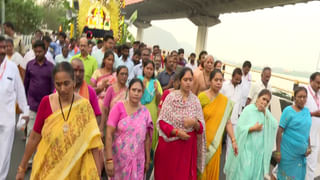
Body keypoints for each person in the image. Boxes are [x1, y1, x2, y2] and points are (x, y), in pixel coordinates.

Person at [16, 62, 103, 180]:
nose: (62, 89)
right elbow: (34, 137)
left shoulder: (84, 107)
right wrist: (22, 167)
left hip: (75, 171)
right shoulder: (46, 103)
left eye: (66, 83)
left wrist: (97, 173)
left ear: (73, 81)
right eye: (58, 84)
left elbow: (93, 143)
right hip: (48, 169)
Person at [154, 67, 206, 180]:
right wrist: (177, 132)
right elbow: (162, 122)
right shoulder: (170, 98)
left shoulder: (195, 101)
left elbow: (201, 128)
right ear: (179, 81)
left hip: (187, 149)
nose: (188, 82)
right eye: (185, 79)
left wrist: (194, 122)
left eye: (190, 80)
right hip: (170, 147)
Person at [105, 78, 153, 180]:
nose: (136, 93)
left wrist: (147, 160)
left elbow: (147, 138)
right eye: (133, 90)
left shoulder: (145, 112)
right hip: (119, 160)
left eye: (139, 91)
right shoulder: (118, 107)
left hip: (138, 161)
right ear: (128, 91)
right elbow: (109, 134)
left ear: (142, 93)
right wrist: (109, 160)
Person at [224, 89, 278, 180]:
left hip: (258, 154)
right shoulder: (248, 110)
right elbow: (239, 129)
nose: (264, 102)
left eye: (267, 101)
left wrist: (265, 113)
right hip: (246, 151)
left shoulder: (266, 113)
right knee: (244, 175)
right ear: (257, 98)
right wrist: (252, 128)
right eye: (263, 99)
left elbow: (274, 125)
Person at [198, 69, 237, 180]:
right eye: (216, 80)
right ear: (210, 81)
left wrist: (233, 140)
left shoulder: (225, 101)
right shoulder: (202, 97)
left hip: (214, 147)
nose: (219, 82)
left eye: (221, 80)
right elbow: (195, 119)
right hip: (201, 144)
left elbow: (228, 122)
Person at [0, 36, 29, 180]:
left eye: (3, 47)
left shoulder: (11, 67)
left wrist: (25, 111)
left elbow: (20, 91)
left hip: (7, 119)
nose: (1, 50)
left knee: (4, 155)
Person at [24, 40, 54, 158]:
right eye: (35, 51)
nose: (37, 54)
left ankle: (41, 159)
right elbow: (26, 83)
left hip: (46, 106)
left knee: (45, 134)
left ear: (45, 51)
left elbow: (53, 86)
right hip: (32, 104)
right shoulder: (30, 65)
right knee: (31, 133)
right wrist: (25, 102)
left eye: (40, 51)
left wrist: (52, 103)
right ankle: (29, 159)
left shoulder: (51, 67)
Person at [275, 86, 311, 179]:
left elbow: (306, 131)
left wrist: (309, 146)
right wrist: (278, 152)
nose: (302, 99)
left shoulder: (307, 112)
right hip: (287, 154)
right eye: (300, 97)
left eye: (304, 97)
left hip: (301, 156)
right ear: (294, 98)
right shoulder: (288, 111)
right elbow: (279, 131)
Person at [138, 60, 163, 151]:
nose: (149, 71)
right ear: (143, 69)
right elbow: (136, 98)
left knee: (151, 138)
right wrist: (143, 87)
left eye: (151, 69)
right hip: (140, 112)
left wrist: (156, 91)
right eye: (147, 68)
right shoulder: (139, 80)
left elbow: (160, 101)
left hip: (153, 113)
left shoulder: (156, 82)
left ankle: (149, 161)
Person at [220, 68, 243, 155]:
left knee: (231, 143)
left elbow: (239, 104)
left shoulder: (240, 89)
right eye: (236, 79)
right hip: (222, 117)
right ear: (232, 76)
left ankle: (227, 167)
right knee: (218, 141)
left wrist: (239, 116)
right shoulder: (224, 85)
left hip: (233, 119)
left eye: (239, 80)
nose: (237, 81)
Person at [100, 65, 128, 133]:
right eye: (122, 74)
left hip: (123, 127)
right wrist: (101, 128)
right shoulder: (111, 89)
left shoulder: (128, 91)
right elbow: (105, 109)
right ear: (117, 75)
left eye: (126, 74)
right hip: (111, 124)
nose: (124, 76)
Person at [306, 72, 320, 180]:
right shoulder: (304, 93)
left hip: (316, 136)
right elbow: (297, 112)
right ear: (311, 81)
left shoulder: (319, 95)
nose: (319, 85)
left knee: (311, 167)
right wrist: (313, 113)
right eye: (317, 83)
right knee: (294, 163)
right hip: (305, 136)